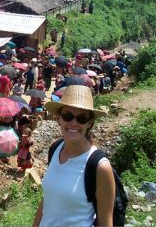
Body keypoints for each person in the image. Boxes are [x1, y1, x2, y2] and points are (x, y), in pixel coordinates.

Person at [33, 85, 114, 227]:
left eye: (82, 118)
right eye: (68, 116)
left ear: (90, 123)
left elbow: (106, 223)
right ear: (58, 119)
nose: (74, 123)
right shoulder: (56, 148)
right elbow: (48, 200)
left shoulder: (99, 166)